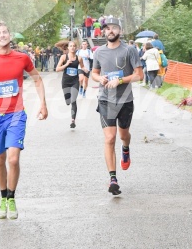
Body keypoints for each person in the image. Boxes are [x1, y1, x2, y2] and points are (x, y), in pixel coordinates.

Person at [0, 21, 48, 220]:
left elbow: (37, 79)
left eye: (5, 32)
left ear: (9, 36)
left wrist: (43, 104)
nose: (2, 35)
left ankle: (12, 197)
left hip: (16, 114)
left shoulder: (22, 58)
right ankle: (3, 196)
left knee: (13, 158)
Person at [92, 17, 143, 195]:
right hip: (106, 99)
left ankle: (126, 149)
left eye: (114, 28)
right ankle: (113, 179)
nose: (111, 31)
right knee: (109, 138)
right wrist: (100, 79)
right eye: (108, 28)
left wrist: (120, 80)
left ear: (120, 31)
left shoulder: (129, 50)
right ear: (104, 31)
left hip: (125, 100)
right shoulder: (99, 52)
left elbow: (139, 75)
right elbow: (94, 73)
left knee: (123, 135)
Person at [56, 41, 85, 128]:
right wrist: (67, 64)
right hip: (66, 81)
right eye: (71, 46)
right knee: (68, 101)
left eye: (74, 46)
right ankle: (67, 101)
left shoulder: (79, 58)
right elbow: (57, 69)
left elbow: (82, 67)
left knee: (73, 100)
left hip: (75, 81)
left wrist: (84, 71)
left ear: (76, 48)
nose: (72, 47)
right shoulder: (64, 57)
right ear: (68, 48)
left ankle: (73, 120)